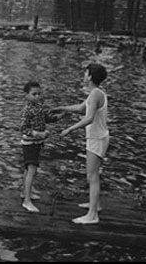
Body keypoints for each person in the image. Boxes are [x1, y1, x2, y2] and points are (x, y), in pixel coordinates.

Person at [53, 63, 109, 225]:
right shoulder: (95, 94)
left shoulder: (95, 95)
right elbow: (80, 108)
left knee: (92, 176)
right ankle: (95, 205)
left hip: (97, 139)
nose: (83, 76)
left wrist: (69, 129)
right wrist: (61, 108)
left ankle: (92, 215)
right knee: (94, 175)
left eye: (85, 73)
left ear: (90, 76)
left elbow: (89, 118)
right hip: (99, 137)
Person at [18, 80, 62, 213]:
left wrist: (61, 116)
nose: (37, 97)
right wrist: (40, 134)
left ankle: (25, 192)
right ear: (26, 95)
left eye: (39, 94)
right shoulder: (26, 110)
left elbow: (47, 118)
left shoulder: (40, 107)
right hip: (29, 143)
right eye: (34, 94)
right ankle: (27, 201)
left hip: (37, 143)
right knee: (31, 169)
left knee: (29, 169)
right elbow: (24, 128)